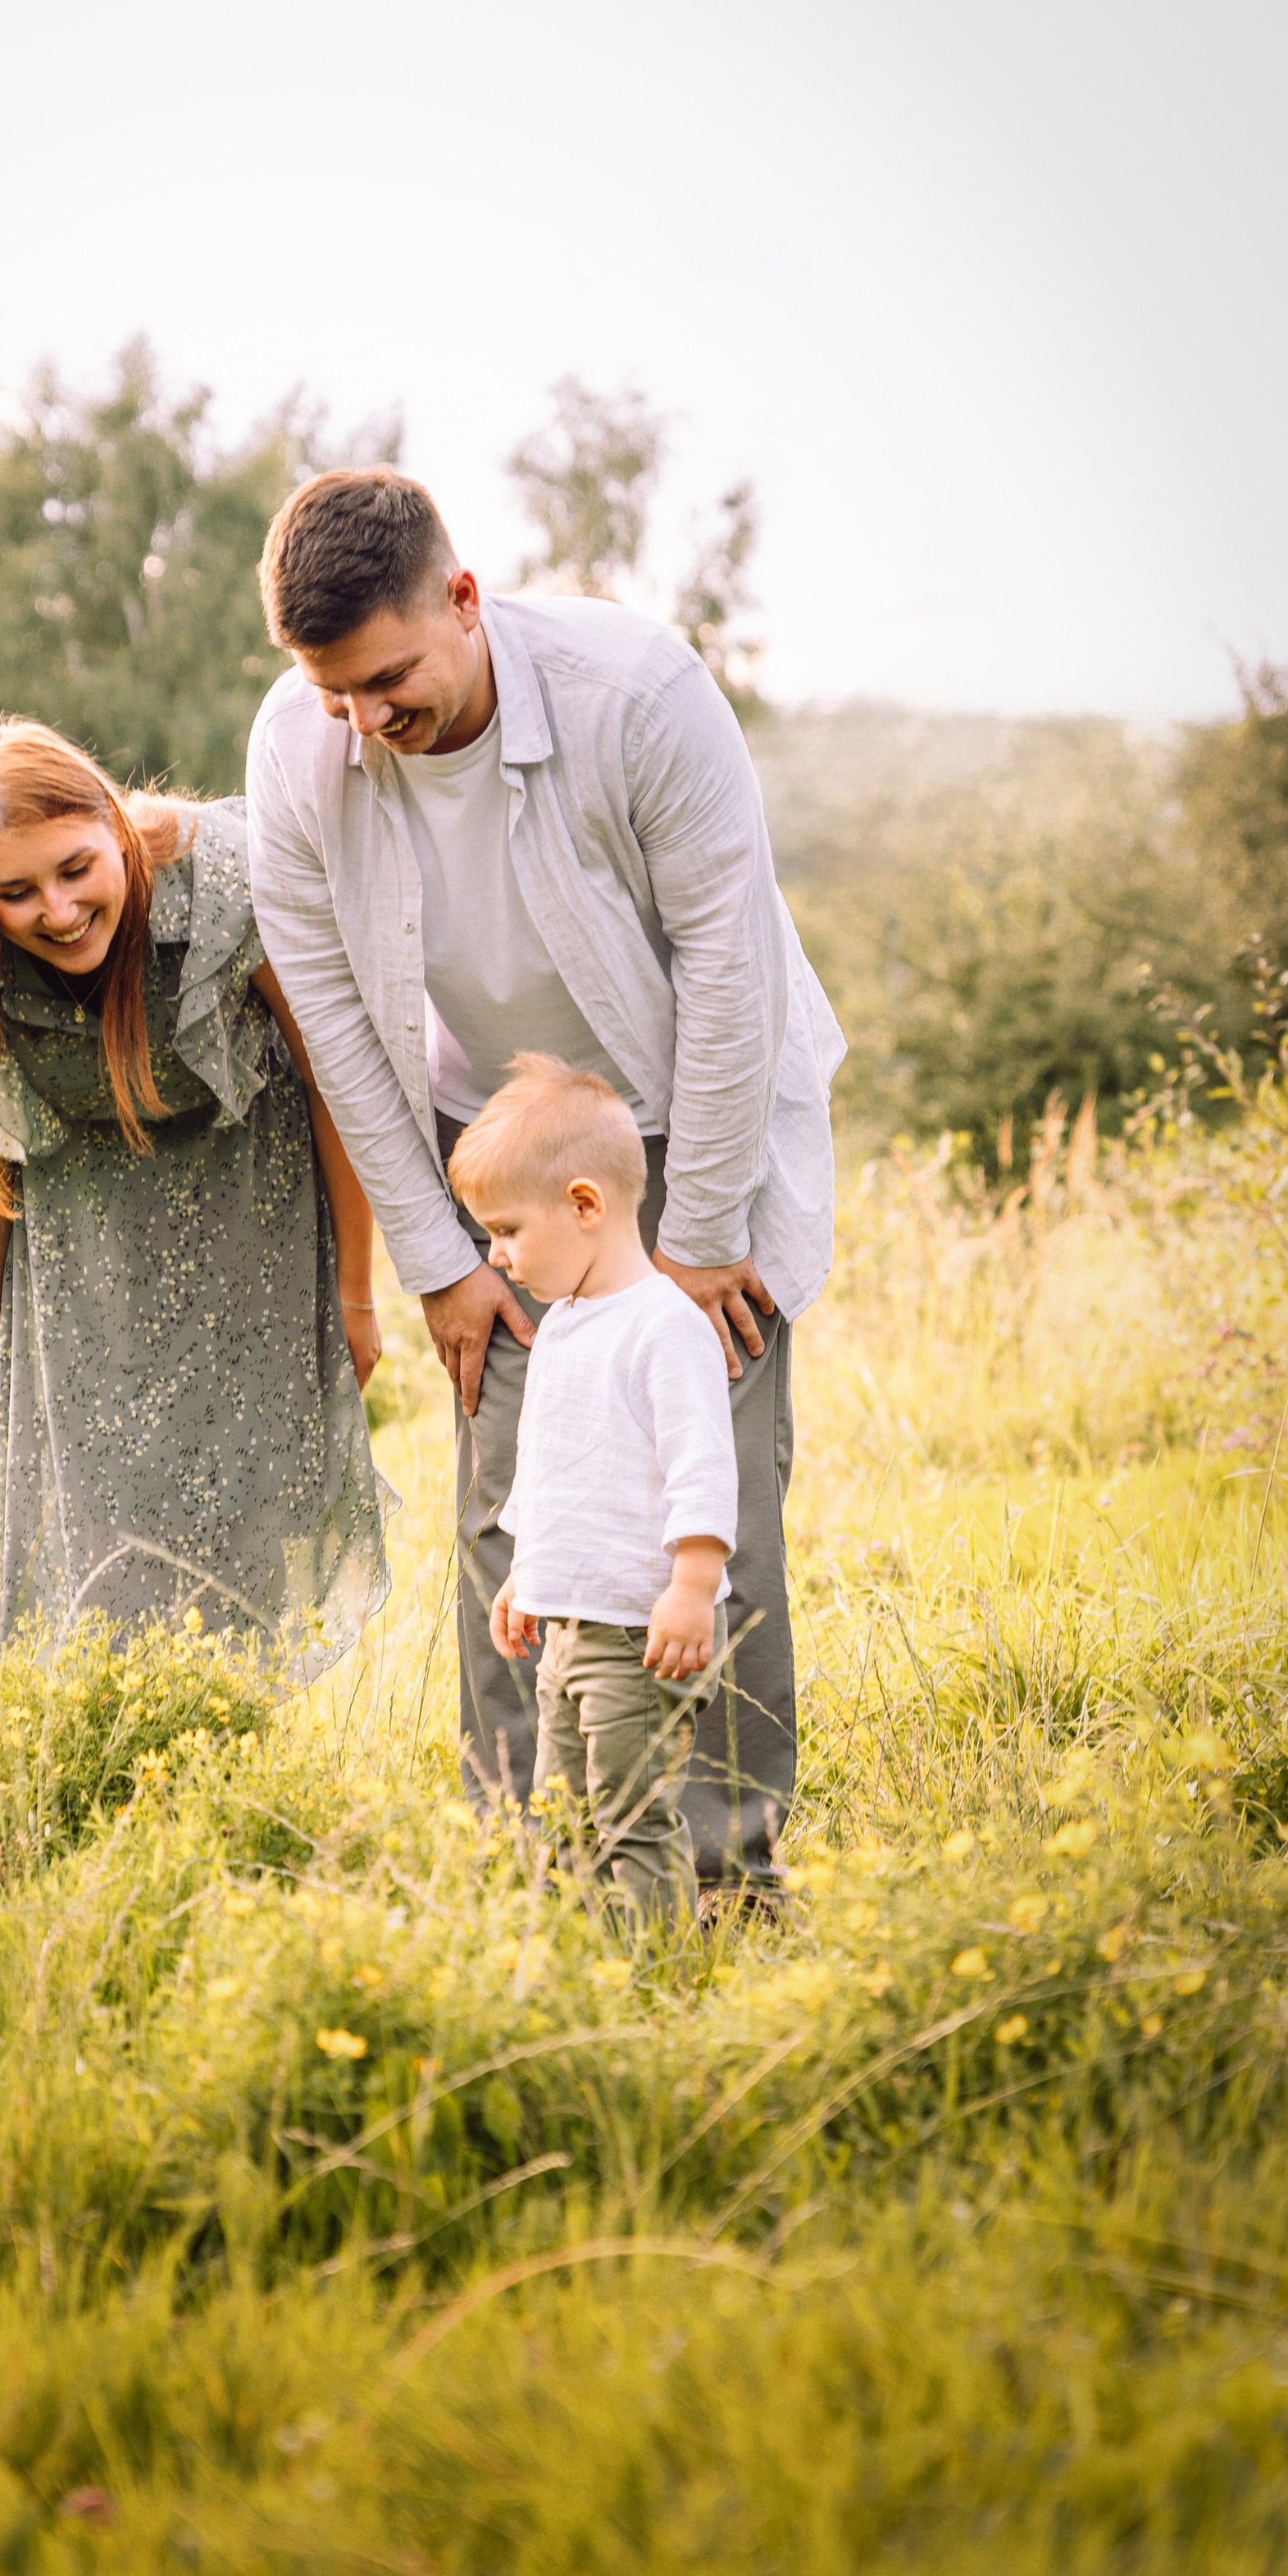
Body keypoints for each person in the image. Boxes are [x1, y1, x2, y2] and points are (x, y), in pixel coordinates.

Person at [243, 469, 844, 1898]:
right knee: (515, 1522)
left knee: (715, 1518)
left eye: (391, 683)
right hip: (493, 1161)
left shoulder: (638, 692)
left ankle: (721, 1884)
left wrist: (696, 1237)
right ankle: (532, 1869)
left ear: (465, 600)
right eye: (335, 696)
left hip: (684, 1125)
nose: (366, 725)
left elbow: (729, 960)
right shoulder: (296, 749)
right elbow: (331, 1019)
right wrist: (441, 1265)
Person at [0, 719, 389, 1667]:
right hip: (89, 1282)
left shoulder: (226, 891)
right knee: (102, 1549)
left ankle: (233, 1760)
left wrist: (355, 1292)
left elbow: (334, 1077)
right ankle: (118, 1752)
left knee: (245, 1535)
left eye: (77, 868)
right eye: (16, 891)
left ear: (112, 828)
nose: (57, 908)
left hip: (255, 1241)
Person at [450, 1056, 737, 1931]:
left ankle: (658, 1968)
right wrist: (524, 1576)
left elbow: (700, 1468)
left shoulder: (663, 1326)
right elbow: (552, 1468)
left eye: (504, 1231)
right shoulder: (565, 1325)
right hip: (569, 1624)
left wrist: (691, 1589)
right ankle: (580, 1960)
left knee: (628, 1812)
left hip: (636, 1627)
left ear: (584, 1205)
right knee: (564, 1812)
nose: (496, 1256)